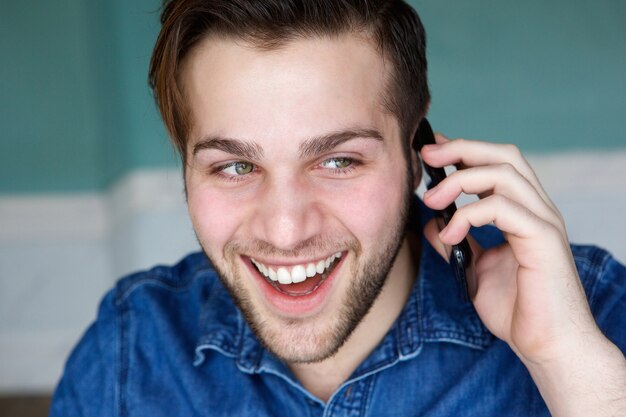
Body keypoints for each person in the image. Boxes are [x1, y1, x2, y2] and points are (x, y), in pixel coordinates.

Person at [50, 1, 626, 416]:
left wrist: (566, 363)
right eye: (235, 166)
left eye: (338, 161)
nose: (285, 228)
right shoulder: (131, 350)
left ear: (417, 147)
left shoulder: (589, 314)